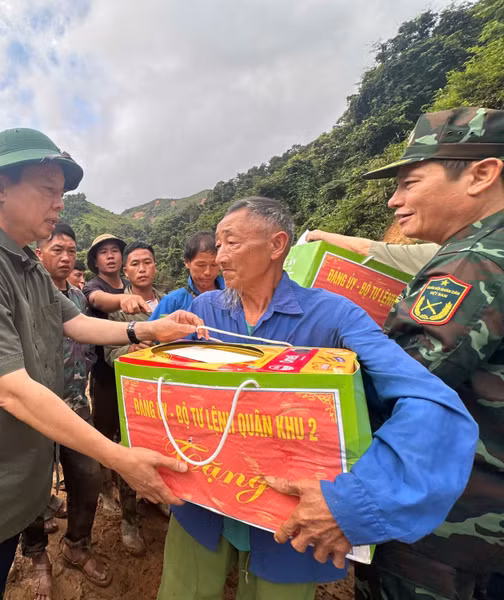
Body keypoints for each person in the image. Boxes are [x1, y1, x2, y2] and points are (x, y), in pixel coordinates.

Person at [0, 127, 203, 599]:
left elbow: (75, 323)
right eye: (48, 189)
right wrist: (119, 457)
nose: (60, 203)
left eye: (62, 194)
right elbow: (10, 389)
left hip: (14, 472)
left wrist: (149, 330)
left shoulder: (23, 264)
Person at [156, 196, 478, 600]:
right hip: (203, 496)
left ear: (277, 245)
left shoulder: (335, 316)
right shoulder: (205, 310)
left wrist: (357, 499)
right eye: (218, 245)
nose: (219, 257)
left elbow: (428, 400)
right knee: (183, 591)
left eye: (231, 243)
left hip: (291, 514)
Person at [353, 107, 504, 600]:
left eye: (410, 182)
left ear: (482, 173)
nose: (395, 201)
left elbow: (402, 379)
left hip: (449, 529)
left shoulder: (476, 262)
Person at [16, 221, 111, 600]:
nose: (66, 257)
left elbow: (89, 333)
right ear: (39, 253)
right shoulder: (23, 296)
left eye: (71, 250)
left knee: (88, 475)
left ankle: (77, 543)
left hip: (75, 404)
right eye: (57, 249)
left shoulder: (78, 297)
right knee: (34, 485)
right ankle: (38, 556)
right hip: (34, 407)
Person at [102, 241, 166, 552]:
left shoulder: (168, 302)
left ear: (156, 266)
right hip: (131, 399)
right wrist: (132, 348)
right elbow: (108, 354)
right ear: (125, 270)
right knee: (130, 453)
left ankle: (159, 499)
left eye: (147, 263)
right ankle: (130, 519)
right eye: (135, 264)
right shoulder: (118, 306)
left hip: (165, 395)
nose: (142, 269)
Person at [150, 230, 224, 319]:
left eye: (214, 265)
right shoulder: (173, 302)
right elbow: (153, 330)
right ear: (187, 262)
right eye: (201, 265)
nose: (207, 272)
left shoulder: (235, 295)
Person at [304, 229, 439, 276]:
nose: (393, 202)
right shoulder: (449, 248)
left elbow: (365, 249)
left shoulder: (439, 252)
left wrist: (321, 235)